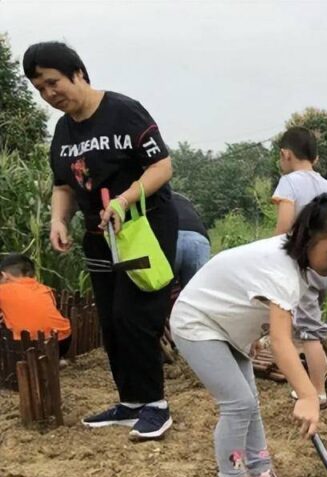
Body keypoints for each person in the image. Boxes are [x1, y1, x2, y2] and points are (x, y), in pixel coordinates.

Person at [170, 192, 327, 477]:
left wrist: (248, 336)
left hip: (225, 329)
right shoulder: (282, 271)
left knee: (250, 404)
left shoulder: (293, 262)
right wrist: (306, 394)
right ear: (307, 238)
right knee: (238, 404)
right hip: (197, 324)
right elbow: (281, 341)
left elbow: (255, 303)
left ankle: (260, 476)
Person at [24, 41, 178, 439]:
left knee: (136, 313)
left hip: (142, 226)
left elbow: (162, 166)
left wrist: (126, 200)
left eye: (53, 82)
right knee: (110, 318)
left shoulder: (123, 111)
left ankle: (156, 406)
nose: (49, 94)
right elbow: (64, 184)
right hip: (98, 233)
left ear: (78, 73)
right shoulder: (63, 130)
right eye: (40, 88)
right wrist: (59, 219)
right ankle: (130, 402)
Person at [272, 127, 327, 408]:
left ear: (286, 155)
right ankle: (326, 369)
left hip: (303, 266)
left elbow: (285, 227)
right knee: (313, 321)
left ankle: (317, 392)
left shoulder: (289, 183)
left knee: (308, 331)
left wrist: (272, 254)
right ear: (316, 158)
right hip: (326, 266)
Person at [0, 254, 72, 357]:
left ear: (4, 275)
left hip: (31, 345)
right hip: (63, 341)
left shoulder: (3, 290)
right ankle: (55, 359)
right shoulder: (45, 289)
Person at [172, 192, 210, 287]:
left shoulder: (157, 198)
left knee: (160, 291)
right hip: (198, 240)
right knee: (196, 293)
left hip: (172, 238)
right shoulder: (185, 200)